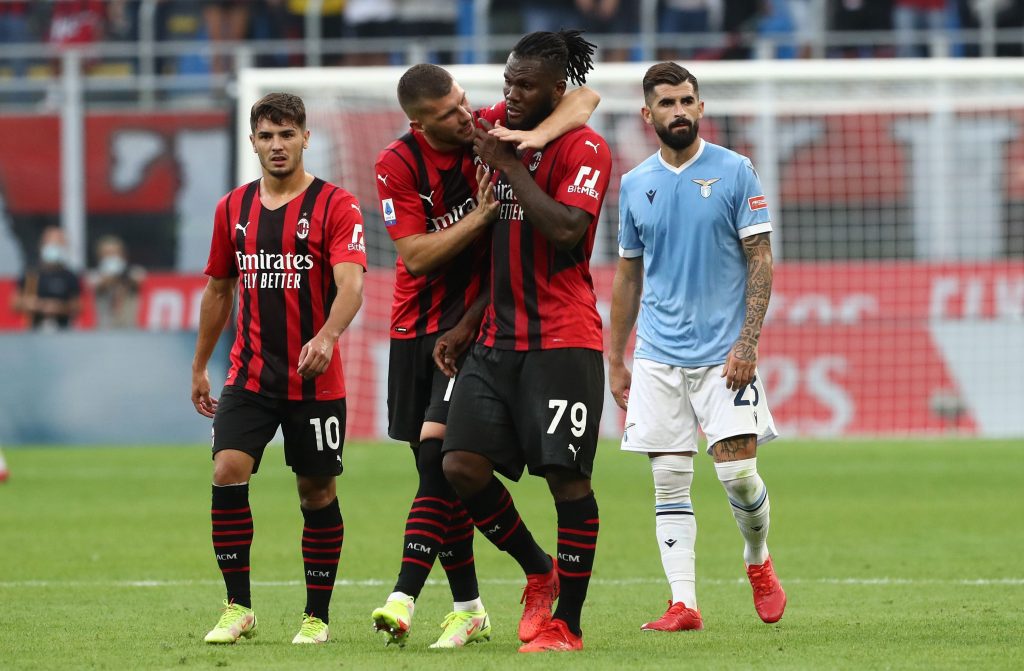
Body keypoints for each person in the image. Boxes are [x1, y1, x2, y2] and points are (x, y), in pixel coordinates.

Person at [370, 62, 600, 650]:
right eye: (447, 114)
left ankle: (408, 597)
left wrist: (533, 137)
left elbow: (585, 97)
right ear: (419, 125)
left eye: (464, 102)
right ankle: (480, 600)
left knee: (442, 460)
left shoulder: (490, 128)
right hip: (419, 326)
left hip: (487, 324)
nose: (464, 117)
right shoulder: (398, 163)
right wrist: (484, 212)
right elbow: (416, 256)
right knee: (445, 468)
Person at [440, 30, 611, 654]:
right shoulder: (496, 124)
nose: (510, 95)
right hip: (495, 339)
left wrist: (514, 161)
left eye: (526, 86)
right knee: (459, 464)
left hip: (562, 341)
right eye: (507, 81)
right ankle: (540, 569)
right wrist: (468, 320)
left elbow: (567, 231)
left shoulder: (586, 149)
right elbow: (449, 114)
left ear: (555, 90)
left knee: (567, 481)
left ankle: (569, 623)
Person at [607, 62, 785, 633]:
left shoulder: (735, 171)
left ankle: (757, 558)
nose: (679, 111)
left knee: (739, 476)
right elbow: (628, 275)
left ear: (701, 107)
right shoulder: (634, 184)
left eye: (687, 100)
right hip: (658, 355)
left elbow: (760, 258)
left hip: (723, 356)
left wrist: (747, 343)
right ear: (647, 114)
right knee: (668, 479)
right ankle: (683, 604)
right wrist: (616, 358)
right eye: (667, 103)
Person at [190, 92, 366, 646]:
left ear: (306, 138)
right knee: (227, 470)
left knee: (316, 492)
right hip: (249, 376)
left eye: (287, 134)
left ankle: (317, 616)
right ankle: (237, 607)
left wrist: (327, 336)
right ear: (252, 143)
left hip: (315, 379)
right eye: (266, 136)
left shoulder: (337, 205)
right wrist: (200, 365)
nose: (277, 145)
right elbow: (219, 289)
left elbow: (352, 285)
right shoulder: (231, 209)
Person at [12, 226, 82, 331]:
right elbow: (16, 303)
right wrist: (41, 305)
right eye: (51, 244)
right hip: (35, 329)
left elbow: (78, 306)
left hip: (63, 330)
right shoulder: (32, 274)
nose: (54, 247)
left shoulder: (69, 276)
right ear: (42, 245)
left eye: (58, 244)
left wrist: (59, 307)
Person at [90, 235, 145, 329]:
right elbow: (98, 285)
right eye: (107, 253)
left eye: (114, 252)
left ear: (122, 254)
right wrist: (109, 275)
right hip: (104, 328)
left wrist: (121, 273)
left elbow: (137, 280)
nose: (111, 256)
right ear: (100, 255)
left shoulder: (134, 271)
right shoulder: (94, 274)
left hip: (129, 328)